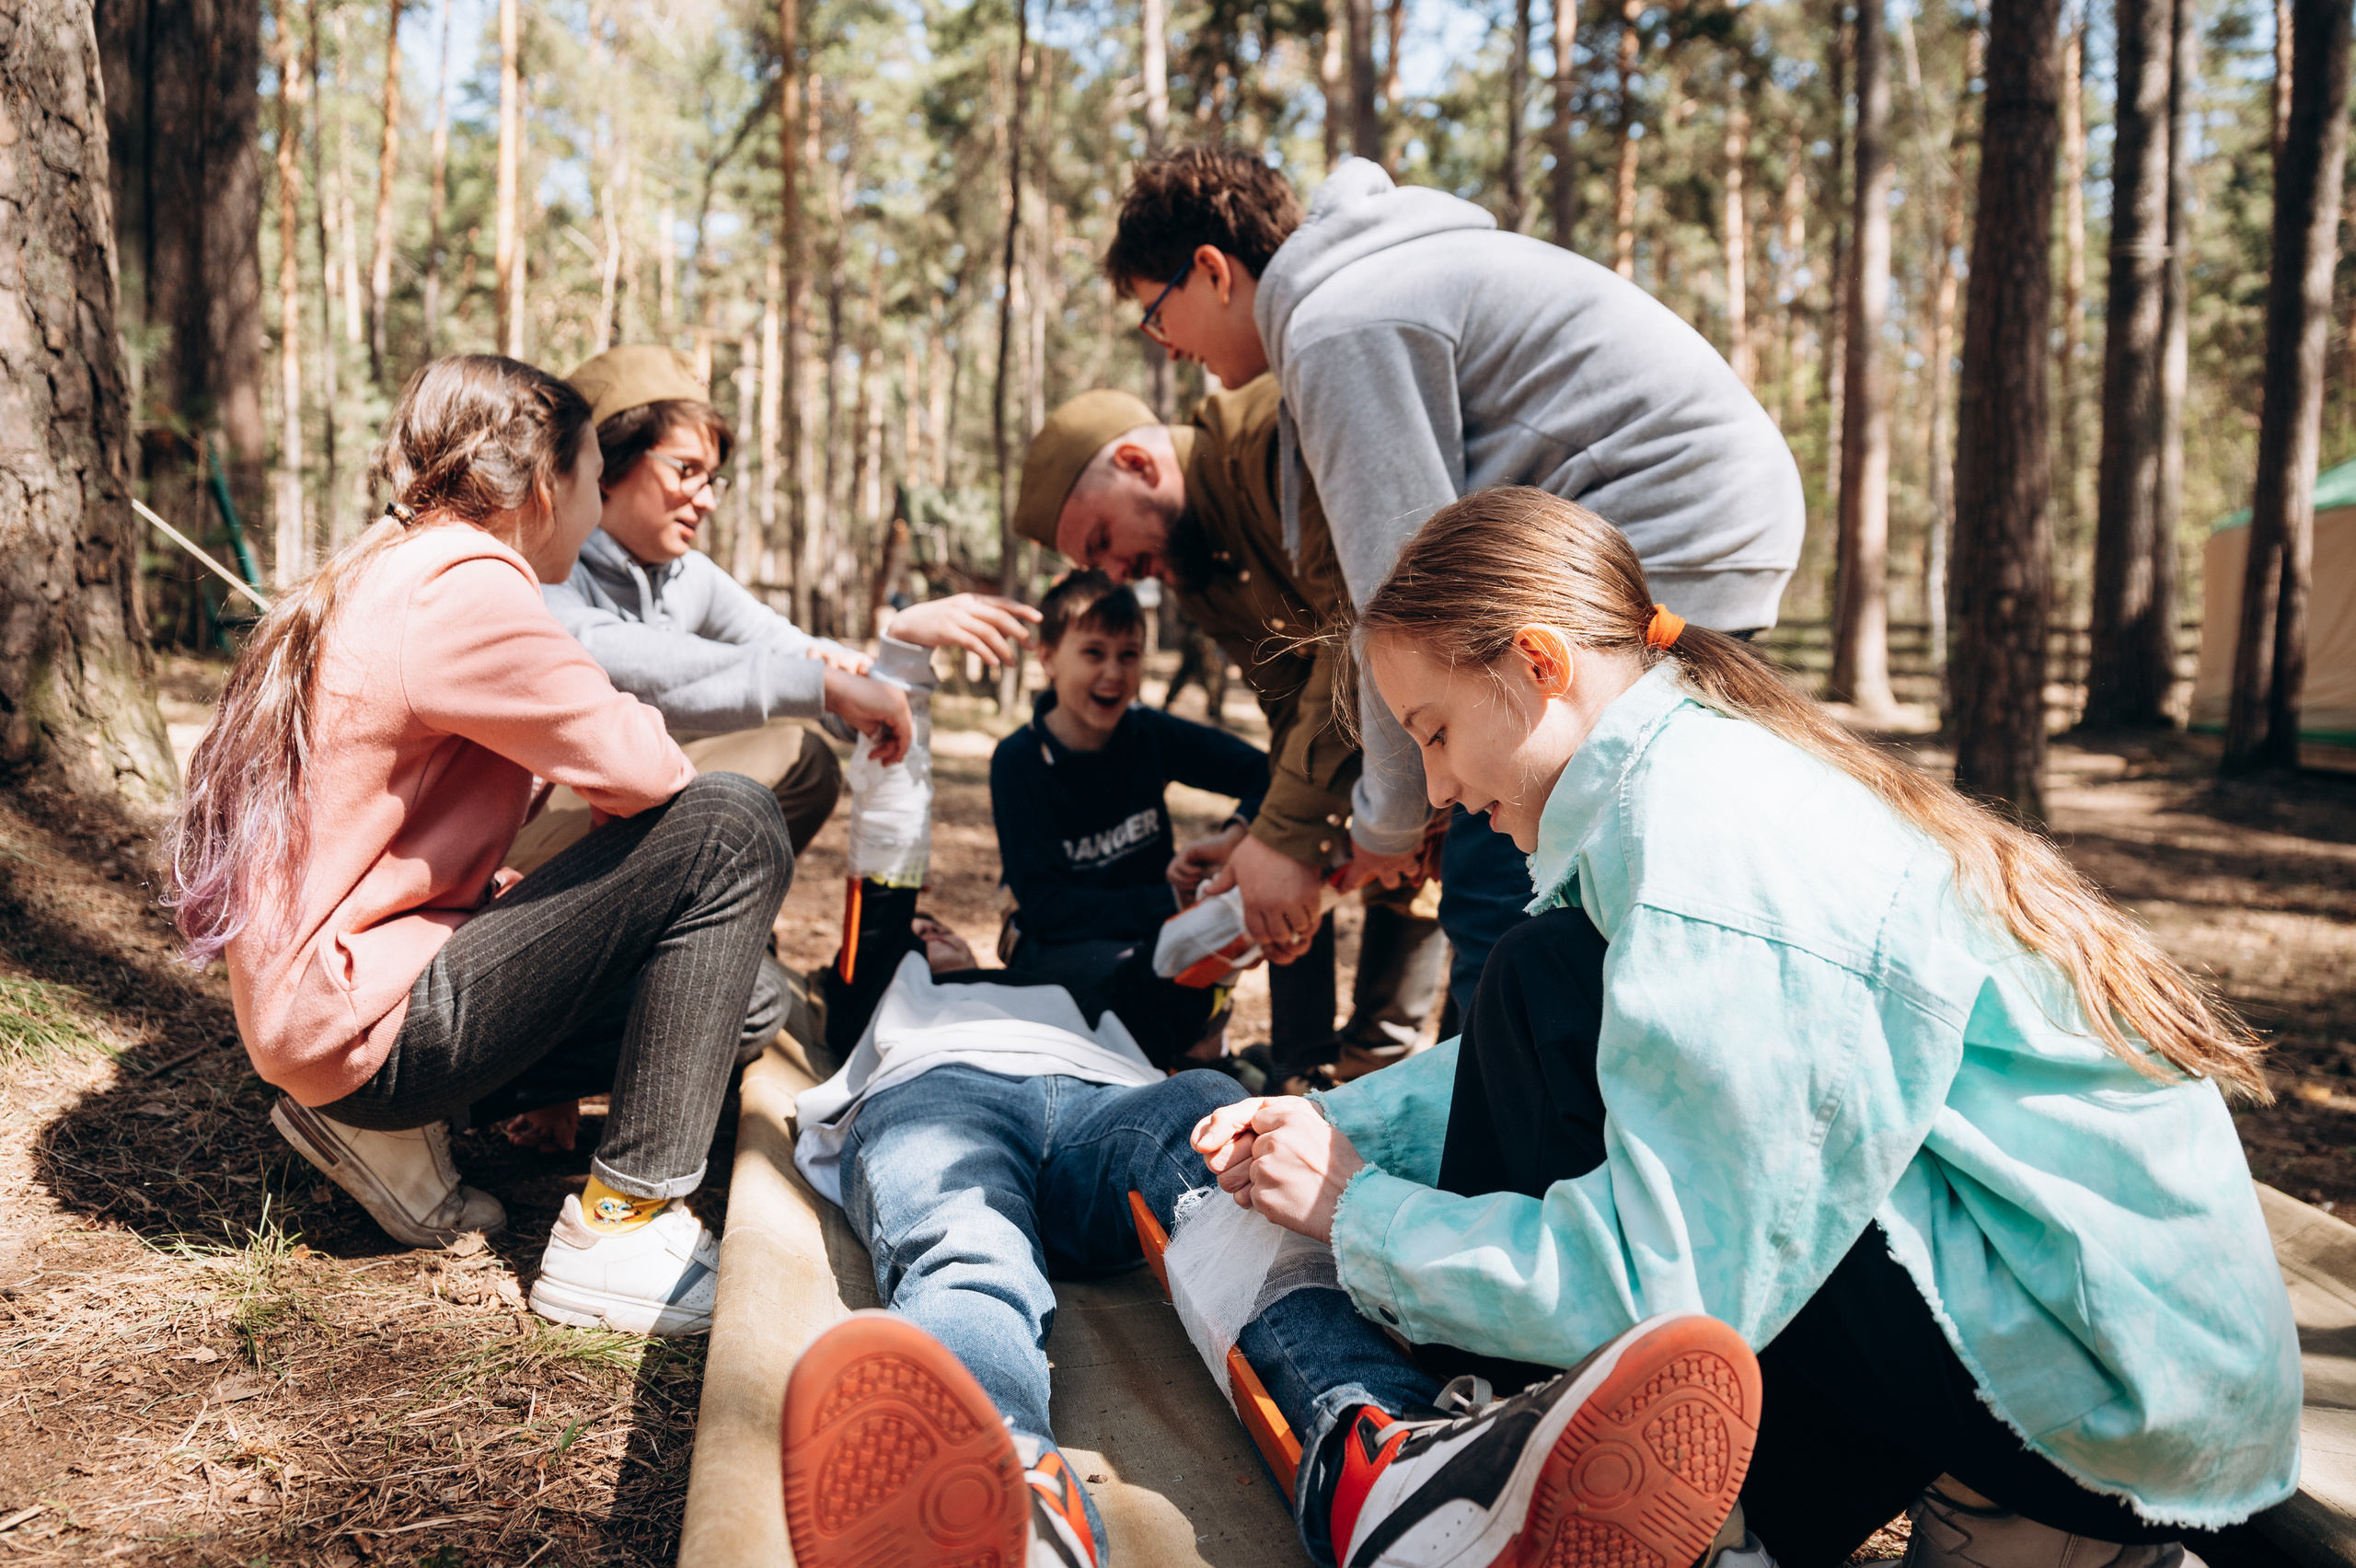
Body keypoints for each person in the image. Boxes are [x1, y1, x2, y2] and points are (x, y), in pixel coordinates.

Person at [1190, 488, 2300, 1568]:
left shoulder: (1710, 854)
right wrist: (1338, 1124)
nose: (1433, 786)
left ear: (1538, 666)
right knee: (1545, 982)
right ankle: (1682, 1496)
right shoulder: (1676, 787)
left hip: (2109, 1391)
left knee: (1544, 988)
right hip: (2067, 1312)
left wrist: (1360, 1212)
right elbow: (1597, 1053)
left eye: (1434, 732)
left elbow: (1670, 1283)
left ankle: (1520, 1454)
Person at [164, 356, 902, 1337]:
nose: (596, 512)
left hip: (343, 1001)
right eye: (596, 482)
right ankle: (624, 1227)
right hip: (364, 1020)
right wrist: (627, 823)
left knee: (755, 1000)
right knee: (730, 824)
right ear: (545, 484)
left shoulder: (406, 564)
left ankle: (415, 1124)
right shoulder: (466, 587)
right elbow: (637, 763)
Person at [779, 906, 1762, 1568]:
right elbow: (875, 909)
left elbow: (1180, 977)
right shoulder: (887, 985)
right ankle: (1011, 1500)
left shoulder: (1065, 980)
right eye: (922, 930)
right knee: (967, 1250)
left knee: (1227, 1147)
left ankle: (1386, 1475)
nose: (936, 935)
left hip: (1106, 1102)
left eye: (946, 925)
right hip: (931, 1093)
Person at [1097, 146, 1807, 1020]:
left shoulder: (1338, 327)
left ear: (1211, 272)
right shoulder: (1364, 289)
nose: (1165, 347)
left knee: (1496, 881)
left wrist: (1390, 823)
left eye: (1155, 315)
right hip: (1707, 525)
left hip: (1665, 524)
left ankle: (1494, 1144)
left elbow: (1399, 604)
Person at [1014, 380, 1447, 1087]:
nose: (1119, 573)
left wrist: (1280, 835)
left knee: (1486, 920)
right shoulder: (1195, 567)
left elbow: (1362, 617)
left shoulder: (1277, 441)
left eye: (1103, 542)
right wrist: (1264, 834)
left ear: (1136, 463)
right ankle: (1330, 1076)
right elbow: (1286, 701)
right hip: (1409, 744)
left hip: (1473, 702)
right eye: (1096, 566)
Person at [514, 345, 1039, 871]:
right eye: (686, 469)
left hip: (616, 810)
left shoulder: (688, 577)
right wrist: (823, 685)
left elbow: (791, 651)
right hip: (522, 829)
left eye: (713, 477)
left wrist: (899, 653)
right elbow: (609, 657)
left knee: (800, 764)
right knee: (786, 759)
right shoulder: (540, 561)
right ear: (605, 463)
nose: (707, 500)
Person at [989, 570, 1268, 997]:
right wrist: (1169, 901)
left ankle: (1282, 1056)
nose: (1114, 673)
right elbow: (1048, 908)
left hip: (1160, 935)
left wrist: (1235, 836)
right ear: (1047, 658)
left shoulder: (1147, 732)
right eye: (1094, 653)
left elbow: (1262, 773)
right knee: (1129, 978)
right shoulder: (1018, 762)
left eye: (1129, 655)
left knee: (1275, 908)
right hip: (1061, 950)